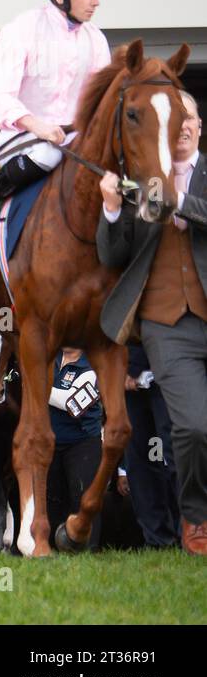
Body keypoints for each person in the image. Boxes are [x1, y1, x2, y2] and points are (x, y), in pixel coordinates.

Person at [98, 89, 207, 555]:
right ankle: (197, 520)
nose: (181, 126)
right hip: (166, 324)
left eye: (189, 117)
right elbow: (114, 255)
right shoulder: (141, 182)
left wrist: (176, 200)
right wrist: (112, 207)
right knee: (193, 427)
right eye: (173, 119)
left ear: (199, 125)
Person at [0, 0, 114, 235]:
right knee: (49, 154)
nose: (96, 1)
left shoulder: (95, 38)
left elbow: (101, 100)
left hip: (76, 140)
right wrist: (38, 126)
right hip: (27, 139)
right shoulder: (22, 29)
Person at [45, 347, 104, 551]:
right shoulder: (50, 359)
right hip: (51, 443)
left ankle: (88, 550)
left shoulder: (92, 365)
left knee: (83, 499)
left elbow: (72, 404)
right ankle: (50, 550)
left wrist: (37, 385)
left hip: (83, 443)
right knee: (51, 500)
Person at [122, 344, 180, 548]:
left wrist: (132, 367)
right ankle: (156, 539)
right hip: (129, 379)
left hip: (173, 372)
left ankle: (191, 533)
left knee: (178, 455)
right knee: (139, 461)